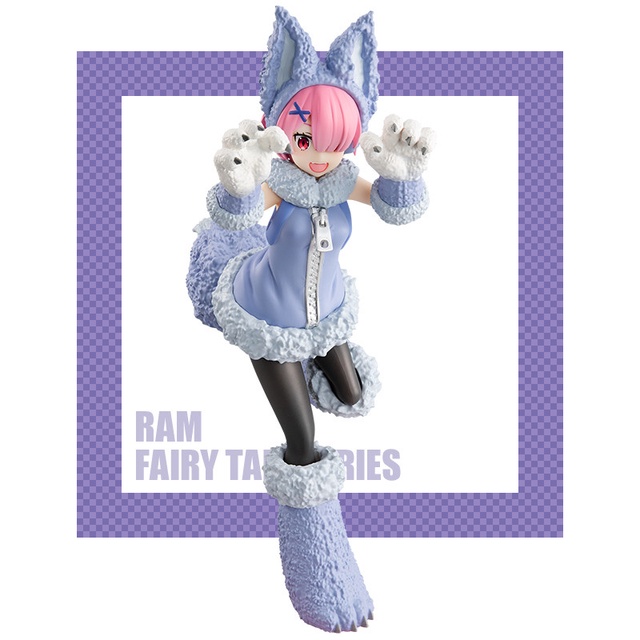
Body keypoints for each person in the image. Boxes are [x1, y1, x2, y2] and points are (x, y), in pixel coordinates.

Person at [187, 7, 433, 633]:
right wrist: (239, 184)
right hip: (269, 316)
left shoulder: (341, 178)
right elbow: (240, 212)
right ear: (284, 132)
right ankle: (319, 567)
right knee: (303, 441)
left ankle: (324, 378)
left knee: (352, 394)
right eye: (305, 139)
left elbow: (391, 207)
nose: (320, 155)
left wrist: (401, 180)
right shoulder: (281, 182)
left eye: (335, 140)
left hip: (326, 316)